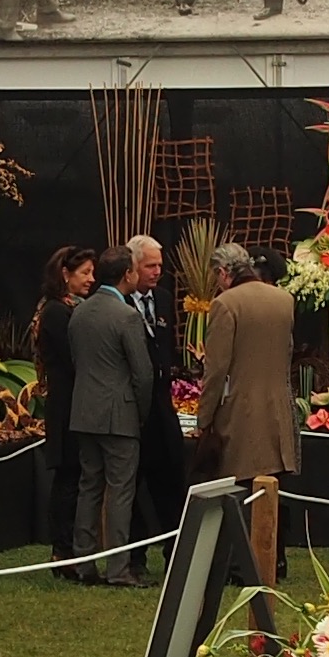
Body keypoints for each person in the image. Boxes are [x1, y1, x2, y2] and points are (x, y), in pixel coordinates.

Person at [65, 249, 156, 585]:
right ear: (126, 274)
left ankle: (83, 561)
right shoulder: (126, 316)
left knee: (89, 486)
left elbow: (78, 361)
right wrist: (141, 412)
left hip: (84, 411)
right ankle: (118, 568)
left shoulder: (79, 312)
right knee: (120, 490)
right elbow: (143, 374)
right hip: (119, 414)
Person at [194, 242, 298, 499]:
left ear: (222, 272)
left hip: (240, 420)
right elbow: (287, 354)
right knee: (272, 498)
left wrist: (203, 420)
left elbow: (216, 370)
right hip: (280, 418)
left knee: (240, 500)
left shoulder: (225, 304)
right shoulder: (284, 300)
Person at [25, 245, 98, 553]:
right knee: (68, 476)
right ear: (65, 274)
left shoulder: (73, 307)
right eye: (85, 273)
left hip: (75, 402)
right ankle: (62, 548)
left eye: (93, 272)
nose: (91, 279)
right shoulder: (57, 311)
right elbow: (70, 359)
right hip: (65, 406)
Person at [124, 231, 191, 540]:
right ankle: (134, 552)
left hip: (162, 406)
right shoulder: (119, 302)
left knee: (171, 480)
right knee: (132, 485)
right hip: (132, 407)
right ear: (132, 268)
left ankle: (173, 547)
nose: (157, 272)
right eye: (150, 266)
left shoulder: (163, 298)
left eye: (160, 266)